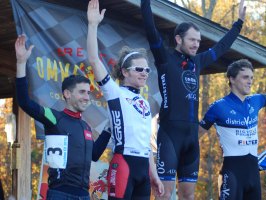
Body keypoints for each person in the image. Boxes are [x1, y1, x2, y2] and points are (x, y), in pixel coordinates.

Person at [140, 0, 247, 198]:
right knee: (164, 194)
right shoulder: (164, 57)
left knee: (188, 196)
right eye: (192, 40)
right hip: (170, 134)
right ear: (179, 39)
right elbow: (149, 26)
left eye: (198, 41)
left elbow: (222, 47)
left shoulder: (198, 61)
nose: (197, 44)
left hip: (191, 137)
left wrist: (238, 23)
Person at [15, 34, 111, 200]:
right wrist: (21, 63)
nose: (87, 97)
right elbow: (24, 102)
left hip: (84, 196)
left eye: (88, 93)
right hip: (60, 194)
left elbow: (94, 155)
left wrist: (109, 128)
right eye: (82, 92)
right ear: (67, 94)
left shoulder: (86, 127)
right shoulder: (55, 117)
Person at [86, 0, 164, 199]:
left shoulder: (145, 103)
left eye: (147, 70)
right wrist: (93, 25)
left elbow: (146, 144)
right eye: (139, 69)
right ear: (124, 72)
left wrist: (153, 174)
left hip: (143, 170)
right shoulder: (115, 92)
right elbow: (94, 60)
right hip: (123, 163)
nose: (144, 73)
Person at [198, 42, 266, 200]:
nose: (250, 81)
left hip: (253, 172)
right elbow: (194, 136)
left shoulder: (256, 101)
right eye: (245, 77)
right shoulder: (218, 107)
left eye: (252, 78)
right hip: (232, 172)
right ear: (232, 79)